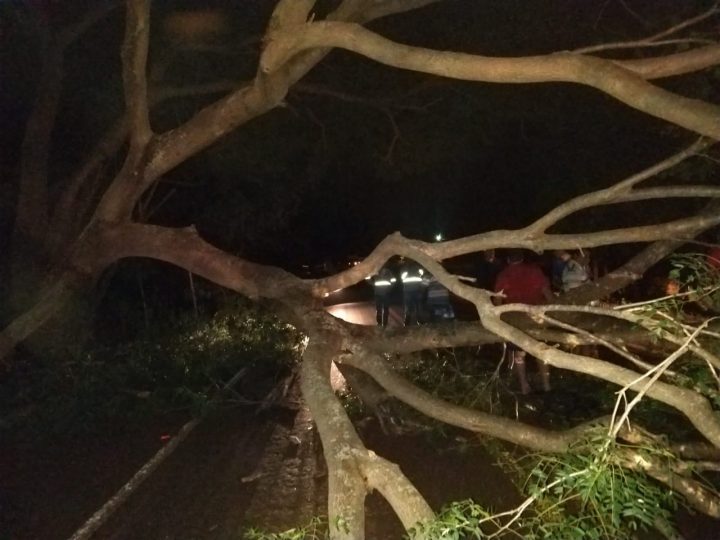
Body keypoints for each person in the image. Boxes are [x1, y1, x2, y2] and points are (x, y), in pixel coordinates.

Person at [494, 249, 554, 395]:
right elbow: (548, 294)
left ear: (508, 260)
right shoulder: (535, 271)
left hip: (515, 319)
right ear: (522, 259)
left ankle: (524, 386)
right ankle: (546, 385)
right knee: (541, 350)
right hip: (536, 317)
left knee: (519, 353)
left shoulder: (504, 275)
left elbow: (497, 300)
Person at [400, 257, 427, 325]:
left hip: (409, 290)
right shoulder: (417, 267)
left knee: (410, 306)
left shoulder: (405, 268)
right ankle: (418, 321)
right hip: (415, 289)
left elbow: (402, 277)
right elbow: (422, 274)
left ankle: (407, 322)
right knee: (417, 306)